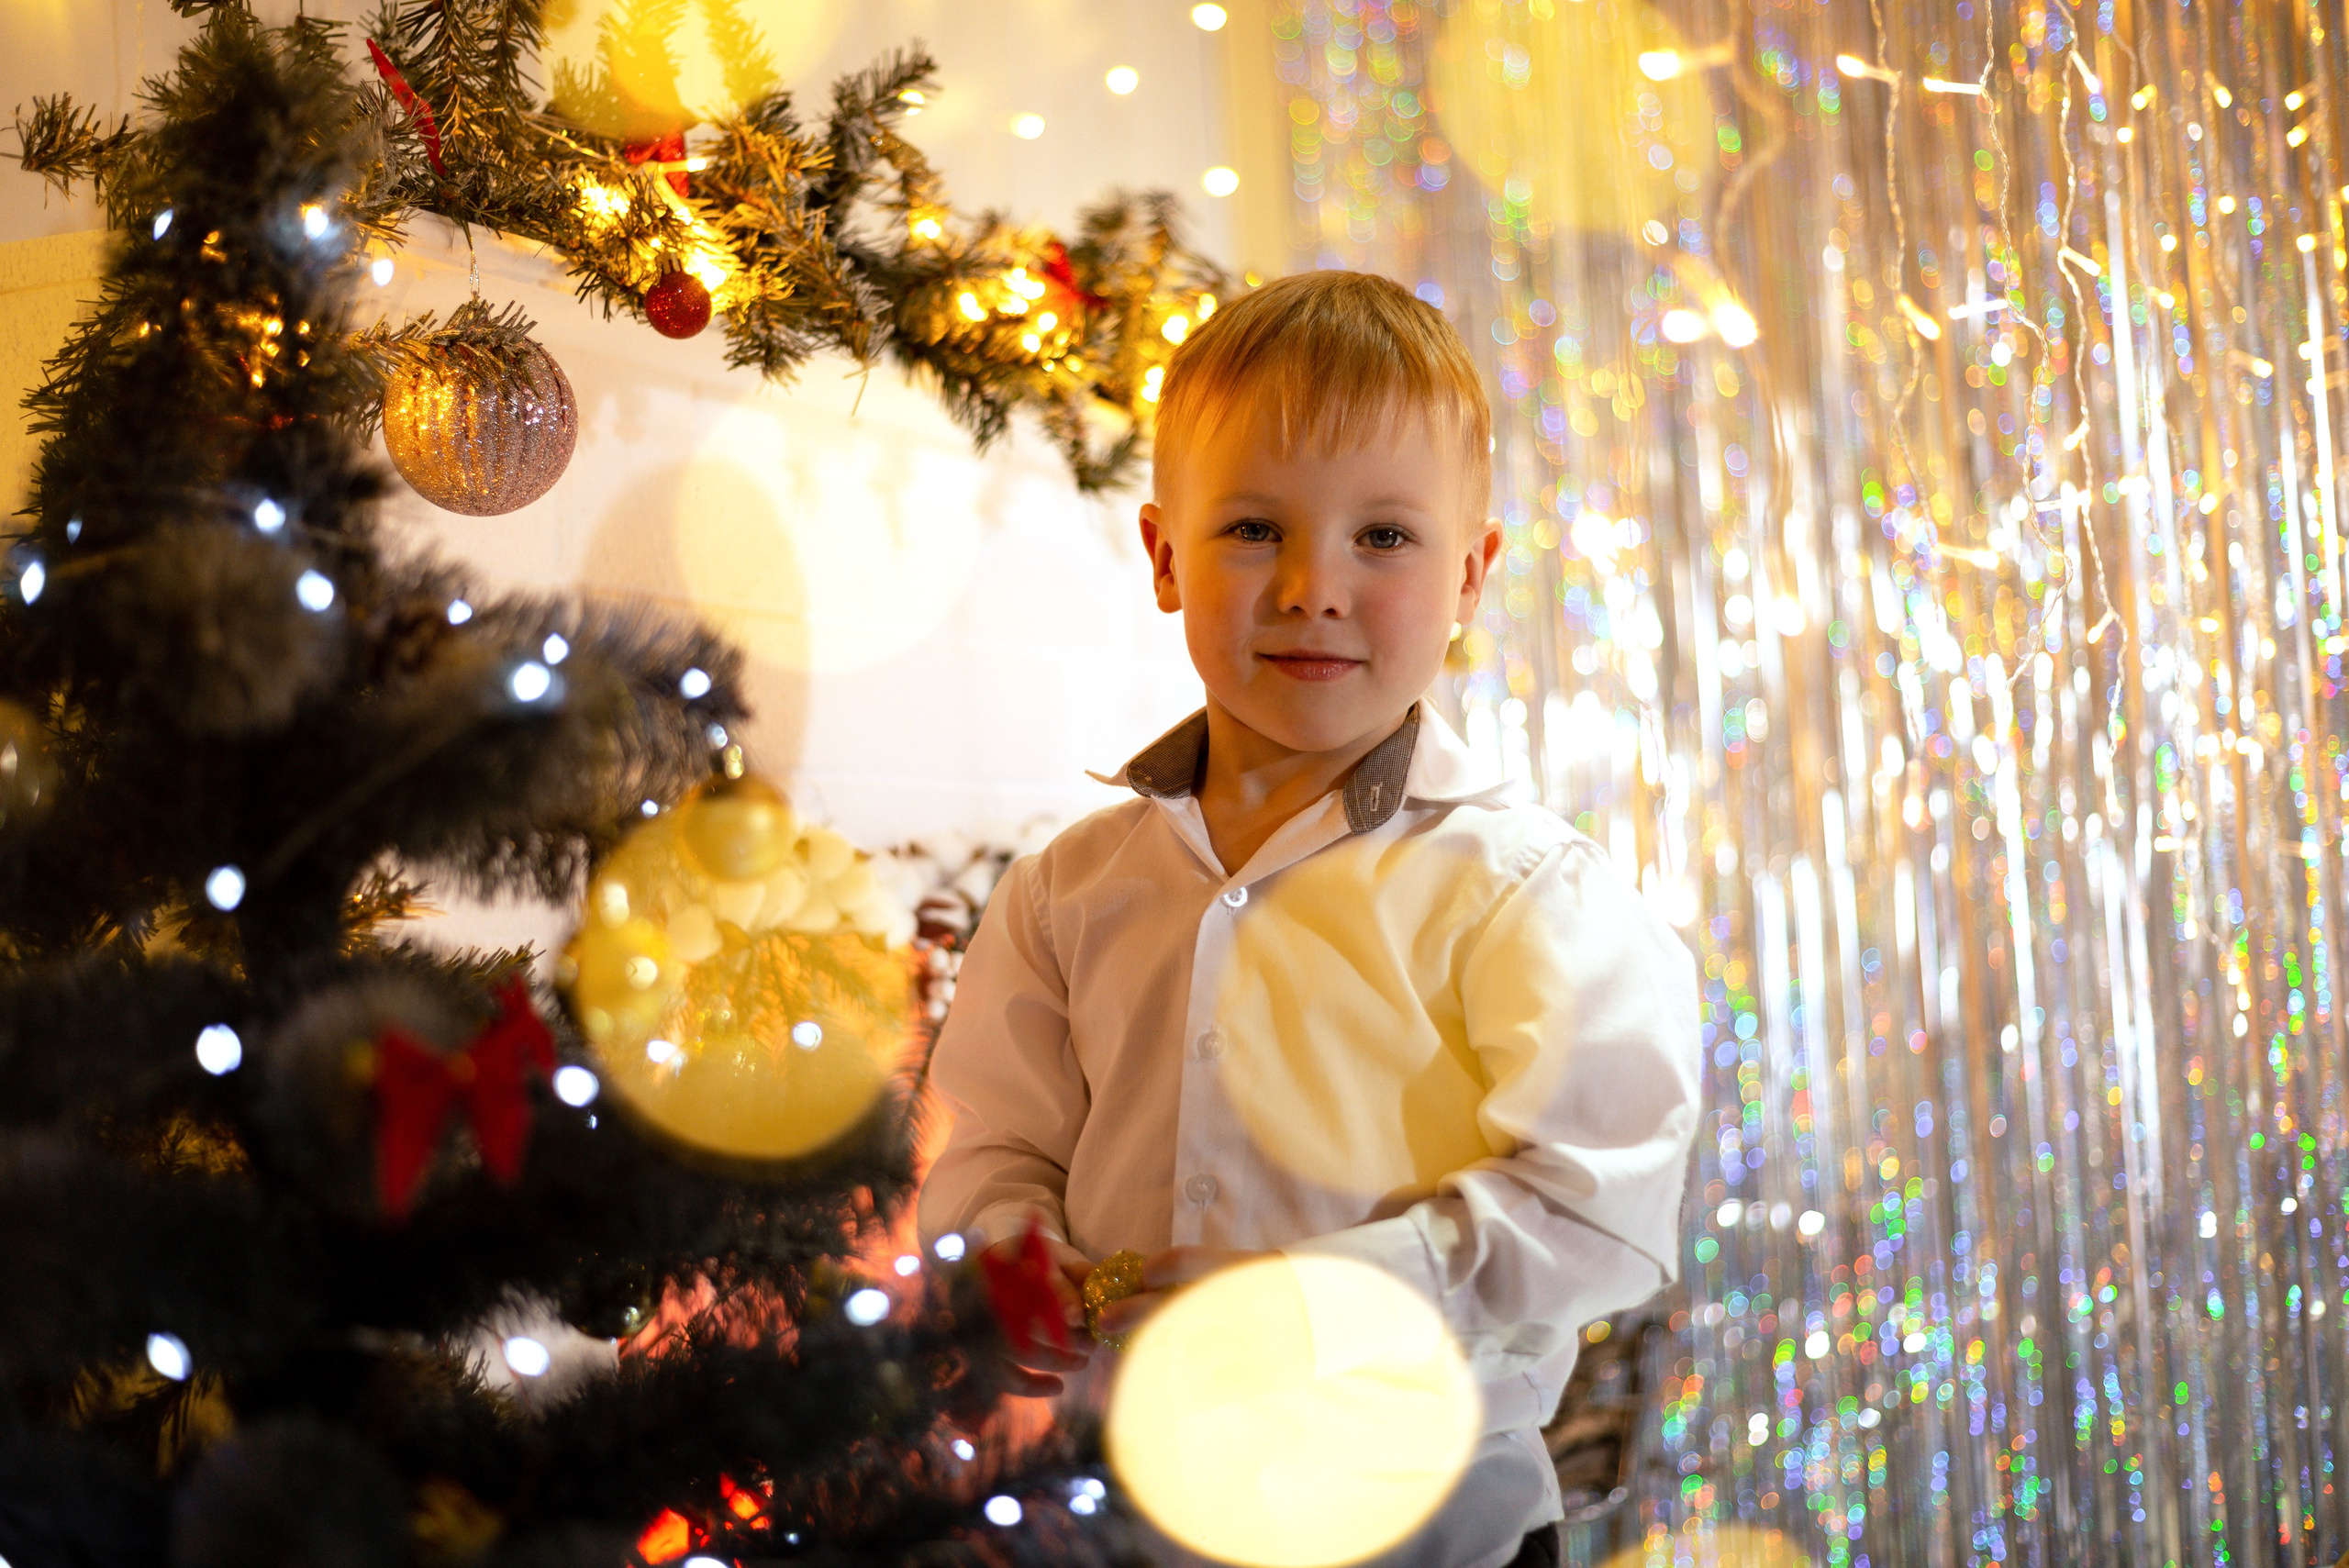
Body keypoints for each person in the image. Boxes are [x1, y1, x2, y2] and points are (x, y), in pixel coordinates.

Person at [917, 270, 1699, 1568]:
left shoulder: (1526, 890)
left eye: (1382, 537)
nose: (1310, 587)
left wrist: (1318, 1305)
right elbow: (995, 1140)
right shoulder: (1069, 887)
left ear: (1471, 574)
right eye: (1252, 529)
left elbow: (1597, 1210)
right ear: (1166, 557)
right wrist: (1007, 1255)